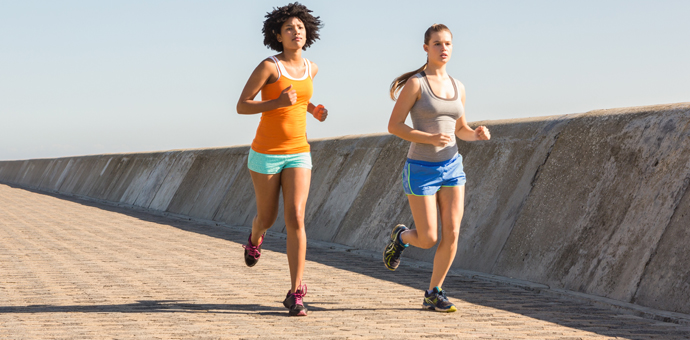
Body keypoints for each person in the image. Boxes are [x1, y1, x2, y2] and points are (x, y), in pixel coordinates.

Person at [383, 24, 490, 313]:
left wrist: (475, 134)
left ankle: (434, 291)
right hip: (421, 168)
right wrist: (429, 137)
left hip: (453, 167)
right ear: (426, 48)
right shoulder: (417, 84)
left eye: (447, 44)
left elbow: (460, 129)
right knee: (428, 238)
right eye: (437, 44)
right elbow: (394, 126)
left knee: (452, 233)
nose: (443, 49)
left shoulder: (459, 87)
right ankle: (401, 237)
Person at [236, 2, 327, 317]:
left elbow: (299, 100)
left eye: (300, 27)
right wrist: (274, 101)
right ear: (278, 34)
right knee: (269, 217)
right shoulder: (269, 67)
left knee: (296, 218)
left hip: (299, 151)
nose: (296, 32)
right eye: (289, 28)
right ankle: (255, 235)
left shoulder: (311, 68)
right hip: (266, 154)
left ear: (307, 32)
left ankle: (296, 291)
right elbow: (243, 105)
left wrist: (313, 109)